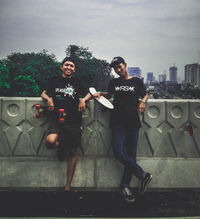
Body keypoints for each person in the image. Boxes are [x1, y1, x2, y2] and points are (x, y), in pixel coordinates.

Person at [94, 56, 152, 202]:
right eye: (115, 68)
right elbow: (110, 94)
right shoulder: (114, 82)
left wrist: (143, 102)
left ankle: (125, 186)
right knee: (119, 152)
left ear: (125, 65)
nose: (118, 70)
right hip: (117, 121)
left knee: (131, 155)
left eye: (119, 66)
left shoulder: (136, 81)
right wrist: (100, 94)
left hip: (133, 122)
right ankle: (143, 175)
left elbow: (145, 93)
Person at [41, 57, 91, 191]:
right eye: (67, 65)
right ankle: (62, 146)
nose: (69, 67)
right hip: (57, 118)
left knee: (73, 151)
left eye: (72, 66)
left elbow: (88, 94)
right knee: (50, 141)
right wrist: (49, 99)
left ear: (74, 69)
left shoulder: (76, 81)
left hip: (74, 120)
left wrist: (83, 100)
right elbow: (43, 94)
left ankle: (67, 186)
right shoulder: (54, 80)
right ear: (61, 67)